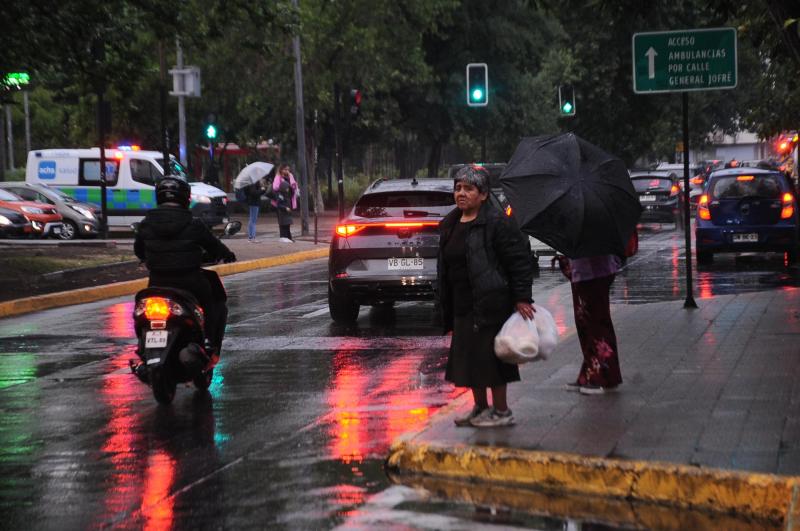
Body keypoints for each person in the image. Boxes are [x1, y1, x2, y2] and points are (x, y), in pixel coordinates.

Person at [437, 165, 535, 428]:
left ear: (483, 194)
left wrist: (522, 297)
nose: (461, 193)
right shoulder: (450, 223)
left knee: (492, 359)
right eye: (458, 188)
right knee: (468, 359)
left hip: (491, 301)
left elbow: (518, 260)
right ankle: (480, 408)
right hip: (461, 303)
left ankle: (502, 411)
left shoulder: (497, 222)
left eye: (468, 188)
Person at [133, 176, 236, 362]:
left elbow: (138, 250)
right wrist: (227, 254)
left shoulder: (146, 223)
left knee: (140, 307)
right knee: (212, 303)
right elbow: (214, 246)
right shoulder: (193, 223)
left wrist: (148, 257)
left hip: (156, 282)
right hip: (190, 281)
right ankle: (207, 342)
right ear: (185, 198)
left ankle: (142, 346)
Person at [553, 253, 623, 395]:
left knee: (596, 328)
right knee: (587, 328)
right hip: (586, 275)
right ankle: (593, 375)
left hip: (592, 276)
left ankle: (600, 378)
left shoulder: (592, 233)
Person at [271, 164, 298, 243]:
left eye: (288, 170)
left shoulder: (290, 177)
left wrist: (292, 184)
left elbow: (294, 187)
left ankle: (288, 237)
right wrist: (283, 187)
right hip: (281, 200)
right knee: (282, 220)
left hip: (288, 200)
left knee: (288, 220)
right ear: (281, 170)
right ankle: (283, 237)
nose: (287, 171)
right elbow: (275, 187)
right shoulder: (278, 177)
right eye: (285, 169)